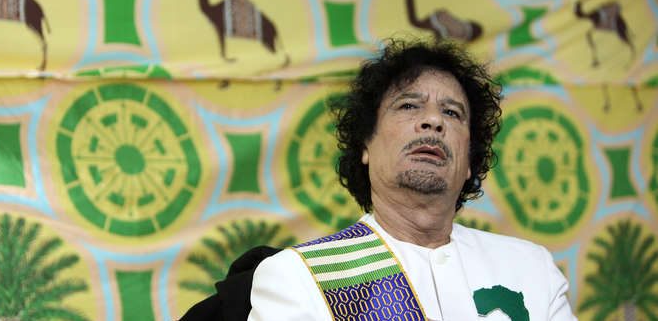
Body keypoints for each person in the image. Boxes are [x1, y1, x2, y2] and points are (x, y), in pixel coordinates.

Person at [247, 39, 577, 320]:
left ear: (468, 163)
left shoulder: (532, 269)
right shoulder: (298, 277)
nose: (433, 120)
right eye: (408, 106)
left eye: (452, 113)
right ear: (366, 145)